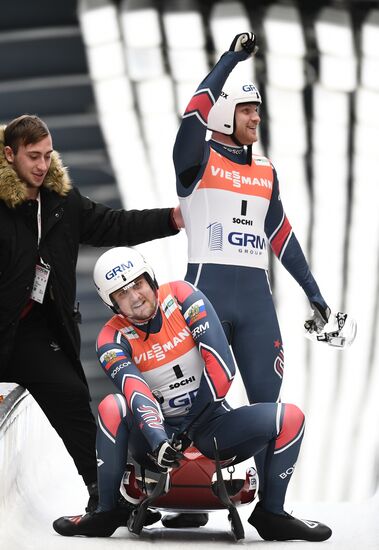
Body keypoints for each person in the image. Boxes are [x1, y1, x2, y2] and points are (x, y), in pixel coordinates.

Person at [53, 246, 332, 542]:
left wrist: (188, 430)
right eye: (122, 294)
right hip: (153, 438)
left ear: (151, 279)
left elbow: (222, 367)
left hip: (210, 426)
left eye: (137, 284)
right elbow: (136, 390)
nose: (135, 297)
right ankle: (107, 511)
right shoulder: (110, 337)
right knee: (112, 406)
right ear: (112, 305)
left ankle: (273, 513)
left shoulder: (183, 296)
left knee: (290, 417)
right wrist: (159, 438)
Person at [170, 32, 332, 527]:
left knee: (269, 404)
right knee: (195, 400)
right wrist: (230, 60)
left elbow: (280, 234)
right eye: (246, 109)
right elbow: (192, 113)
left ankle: (273, 511)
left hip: (256, 301)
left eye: (257, 111)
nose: (255, 118)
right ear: (223, 114)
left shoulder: (265, 170)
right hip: (206, 297)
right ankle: (186, 497)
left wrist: (314, 293)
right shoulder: (195, 160)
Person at [0, 114, 183, 512]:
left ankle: (105, 495)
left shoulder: (61, 203)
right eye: (33, 156)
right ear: (9, 154)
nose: (42, 165)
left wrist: (171, 219)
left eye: (48, 155)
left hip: (34, 330)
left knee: (72, 395)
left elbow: (114, 225)